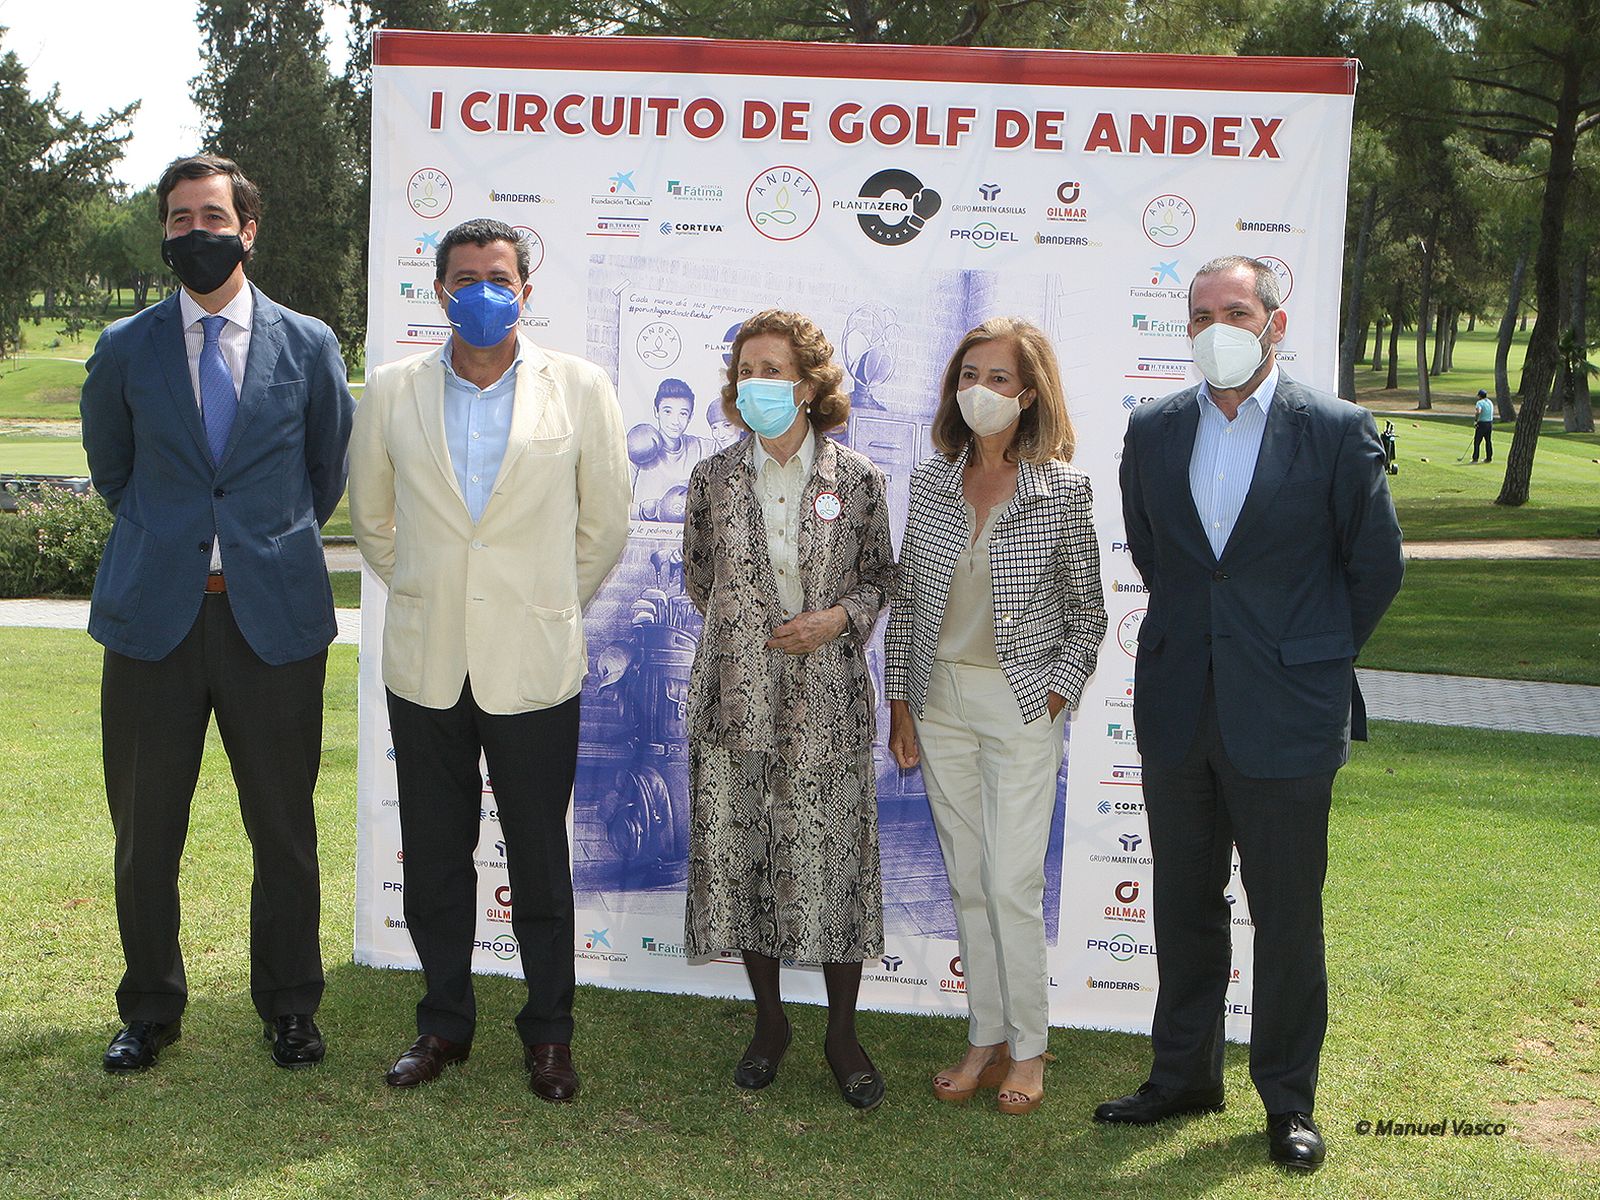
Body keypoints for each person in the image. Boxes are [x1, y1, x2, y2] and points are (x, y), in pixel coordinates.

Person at [1100, 256, 1404, 1172]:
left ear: (1275, 322)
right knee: (1186, 905)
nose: (1215, 327)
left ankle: (1287, 1099)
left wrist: (1304, 655)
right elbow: (1162, 557)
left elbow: (1375, 569)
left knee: (1285, 914)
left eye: (1234, 310)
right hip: (1179, 706)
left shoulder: (1338, 431)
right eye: (1199, 314)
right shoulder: (1152, 431)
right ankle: (1183, 1075)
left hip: (1289, 715)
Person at [80, 154, 355, 1074]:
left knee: (282, 830)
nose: (192, 232)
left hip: (271, 622)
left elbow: (323, 480)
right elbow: (114, 474)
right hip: (152, 624)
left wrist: (250, 546)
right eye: (176, 218)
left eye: (210, 215)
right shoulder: (123, 348)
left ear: (247, 228)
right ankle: (150, 1009)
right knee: (145, 834)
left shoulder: (309, 343)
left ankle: (288, 1006)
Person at [348, 217, 630, 1102]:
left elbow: (604, 527)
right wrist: (437, 589)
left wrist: (542, 600)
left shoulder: (580, 389)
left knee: (539, 860)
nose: (482, 290)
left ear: (525, 287)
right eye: (465, 276)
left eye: (498, 275)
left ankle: (549, 1033)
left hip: (534, 662)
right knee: (435, 856)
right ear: (438, 290)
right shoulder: (390, 391)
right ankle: (443, 1025)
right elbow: (374, 524)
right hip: (427, 660)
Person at [884, 317, 1106, 1116]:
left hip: (1020, 706)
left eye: (999, 377)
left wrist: (1055, 691)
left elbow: (1089, 614)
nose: (980, 389)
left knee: (1011, 882)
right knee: (968, 878)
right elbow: (908, 602)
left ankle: (1031, 1045)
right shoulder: (933, 481)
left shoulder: (1064, 490)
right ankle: (985, 1035)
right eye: (969, 374)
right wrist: (901, 707)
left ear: (1031, 392)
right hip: (938, 703)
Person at [681, 309, 895, 1110]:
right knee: (744, 860)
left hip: (827, 702)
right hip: (734, 696)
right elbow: (701, 577)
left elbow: (879, 578)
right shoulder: (711, 479)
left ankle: (842, 1033)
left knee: (832, 861)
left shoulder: (860, 478)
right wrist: (747, 633)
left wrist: (834, 620)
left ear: (808, 386)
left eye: (774, 369)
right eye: (746, 369)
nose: (756, 384)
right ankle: (769, 1023)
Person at [629, 377, 711, 519]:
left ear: (690, 417)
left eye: (683, 413)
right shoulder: (639, 447)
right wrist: (647, 512)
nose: (675, 421)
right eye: (668, 412)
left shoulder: (702, 448)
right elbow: (613, 504)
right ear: (656, 412)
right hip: (641, 538)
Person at [1472, 389, 1494, 463]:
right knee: (1488, 441)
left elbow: (1478, 411)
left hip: (1482, 424)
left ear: (1480, 396)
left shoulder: (1479, 402)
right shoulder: (1490, 402)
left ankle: (1475, 458)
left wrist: (1475, 421)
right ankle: (1489, 458)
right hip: (1489, 423)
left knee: (1477, 442)